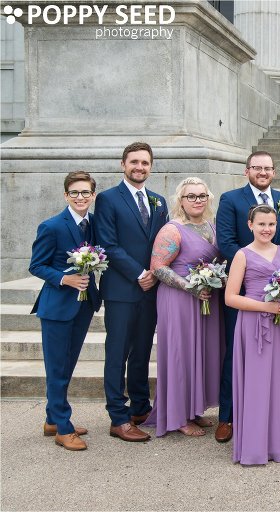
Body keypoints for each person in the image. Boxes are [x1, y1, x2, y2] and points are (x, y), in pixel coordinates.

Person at [215, 150, 280, 443]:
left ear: (274, 171)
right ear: (247, 170)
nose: (263, 172)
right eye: (257, 168)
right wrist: (253, 263)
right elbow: (226, 240)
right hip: (246, 291)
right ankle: (228, 417)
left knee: (276, 366)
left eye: (267, 168)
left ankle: (274, 422)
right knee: (236, 356)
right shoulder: (230, 200)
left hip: (279, 285)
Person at [95, 142, 168, 442]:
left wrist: (156, 274)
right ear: (123, 164)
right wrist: (140, 274)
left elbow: (164, 244)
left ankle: (140, 407)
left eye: (145, 163)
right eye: (134, 162)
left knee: (142, 351)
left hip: (151, 290)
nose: (140, 167)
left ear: (151, 166)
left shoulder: (159, 201)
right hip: (121, 290)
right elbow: (108, 243)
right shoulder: (108, 199)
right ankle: (118, 417)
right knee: (117, 353)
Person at [224, 204, 280, 465]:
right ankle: (255, 445)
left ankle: (279, 440)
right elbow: (230, 297)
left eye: (271, 224)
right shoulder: (242, 255)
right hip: (253, 325)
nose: (267, 229)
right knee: (257, 383)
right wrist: (265, 307)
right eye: (261, 224)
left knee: (279, 380)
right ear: (250, 225)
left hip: (279, 325)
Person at [144, 178, 223, 437]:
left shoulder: (211, 226)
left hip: (206, 298)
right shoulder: (172, 229)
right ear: (181, 200)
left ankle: (193, 410)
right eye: (191, 196)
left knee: (199, 354)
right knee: (180, 355)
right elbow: (158, 267)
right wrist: (190, 287)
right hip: (178, 300)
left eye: (202, 195)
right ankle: (177, 416)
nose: (197, 200)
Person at [29, 171, 102, 451]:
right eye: (74, 192)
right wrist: (65, 279)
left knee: (67, 365)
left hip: (83, 305)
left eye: (85, 192)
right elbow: (36, 265)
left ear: (93, 196)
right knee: (57, 368)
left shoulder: (94, 224)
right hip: (57, 307)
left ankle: (52, 419)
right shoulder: (51, 226)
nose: (80, 197)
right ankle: (63, 427)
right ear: (66, 195)